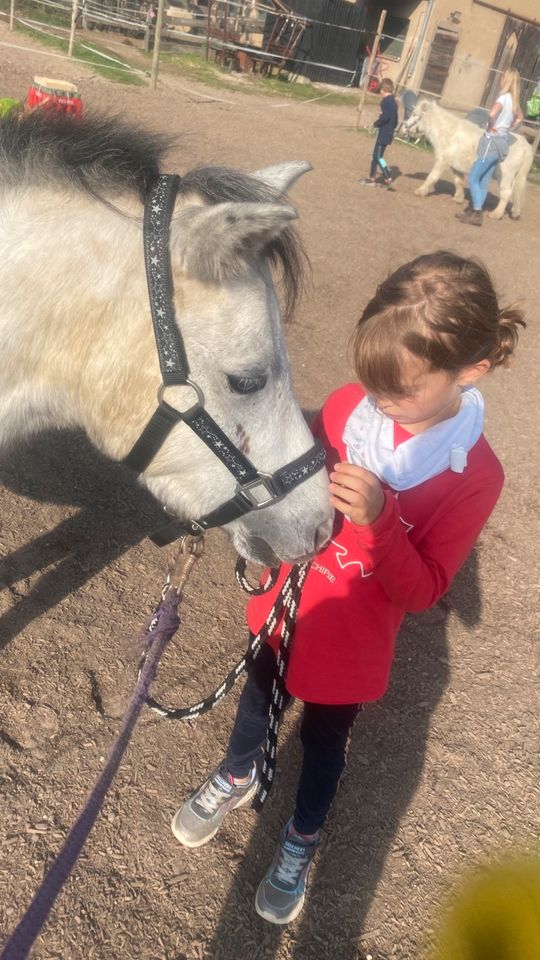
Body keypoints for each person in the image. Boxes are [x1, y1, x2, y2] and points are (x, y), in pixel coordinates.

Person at [172, 251, 525, 925]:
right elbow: (283, 465)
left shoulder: (474, 475)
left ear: (471, 371)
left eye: (401, 389)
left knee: (325, 744)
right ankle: (239, 773)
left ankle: (301, 836)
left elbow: (423, 591)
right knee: (256, 699)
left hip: (354, 642)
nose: (379, 400)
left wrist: (380, 523)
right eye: (372, 380)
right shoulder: (345, 407)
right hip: (284, 604)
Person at [457, 68, 524, 227]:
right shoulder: (514, 101)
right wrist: (506, 128)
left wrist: (491, 126)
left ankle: (477, 212)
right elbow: (520, 117)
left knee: (473, 177)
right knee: (485, 178)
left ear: (505, 79)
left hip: (491, 141)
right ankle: (475, 211)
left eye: (502, 77)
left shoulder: (503, 98)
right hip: (502, 143)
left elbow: (492, 113)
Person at [358, 77, 399, 188]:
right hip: (388, 133)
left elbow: (385, 117)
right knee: (376, 156)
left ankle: (387, 176)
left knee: (379, 156)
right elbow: (395, 120)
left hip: (384, 133)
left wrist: (375, 124)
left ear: (382, 90)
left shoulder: (386, 101)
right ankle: (372, 178)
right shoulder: (394, 102)